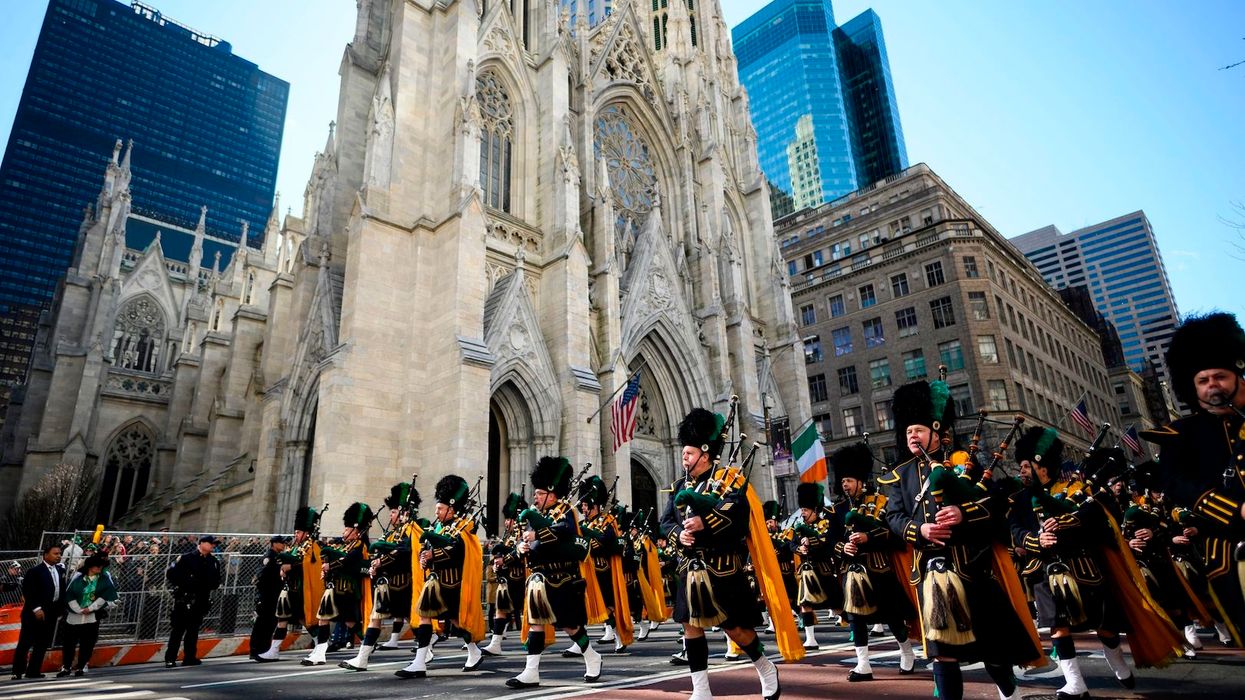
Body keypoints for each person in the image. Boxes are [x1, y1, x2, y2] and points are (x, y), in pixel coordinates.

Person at [879, 380, 1043, 700]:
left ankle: (1008, 691)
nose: (912, 436)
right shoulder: (901, 474)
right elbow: (894, 517)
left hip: (971, 569)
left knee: (993, 650)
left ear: (936, 431)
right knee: (943, 654)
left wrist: (961, 513)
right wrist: (919, 530)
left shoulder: (963, 462)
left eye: (918, 430)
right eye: (908, 431)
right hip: (931, 573)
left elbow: (995, 505)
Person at [660, 407, 801, 700]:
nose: (684, 458)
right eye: (683, 453)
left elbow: (738, 517)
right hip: (689, 568)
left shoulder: (730, 480)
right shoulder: (679, 486)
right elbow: (666, 522)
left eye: (688, 453)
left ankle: (765, 667)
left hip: (722, 569)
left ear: (705, 453)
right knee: (690, 627)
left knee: (736, 630)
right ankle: (701, 690)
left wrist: (704, 522)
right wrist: (678, 534)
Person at [1009, 428, 1137, 697]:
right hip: (1044, 570)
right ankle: (1075, 683)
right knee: (1058, 627)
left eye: (1026, 466)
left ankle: (1116, 660)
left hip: (1082, 567)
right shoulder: (1019, 499)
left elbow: (1092, 517)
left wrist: (1063, 523)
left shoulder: (1073, 489)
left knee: (1104, 626)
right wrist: (1036, 540)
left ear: (1041, 465)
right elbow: (1016, 529)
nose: (1021, 471)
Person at [1143, 312, 1245, 646]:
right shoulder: (1182, 435)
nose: (1212, 385)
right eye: (1203, 380)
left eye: (1220, 376)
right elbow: (1176, 483)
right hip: (1232, 552)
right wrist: (1237, 510)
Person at [504, 456, 604, 689]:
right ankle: (531, 672)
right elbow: (528, 540)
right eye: (536, 493)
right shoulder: (536, 513)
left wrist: (537, 534)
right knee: (536, 623)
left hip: (562, 578)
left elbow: (564, 532)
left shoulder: (566, 510)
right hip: (538, 578)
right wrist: (521, 548)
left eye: (540, 493)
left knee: (570, 625)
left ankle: (592, 656)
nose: (536, 497)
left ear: (552, 493)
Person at [831, 442, 917, 681]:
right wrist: (843, 547)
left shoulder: (881, 502)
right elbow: (831, 540)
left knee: (892, 616)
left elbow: (894, 535)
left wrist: (868, 537)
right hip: (852, 570)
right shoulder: (837, 509)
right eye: (843, 481)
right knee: (855, 617)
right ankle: (863, 665)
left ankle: (907, 652)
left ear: (860, 481)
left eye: (849, 480)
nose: (845, 485)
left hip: (879, 569)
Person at [396, 475, 487, 678]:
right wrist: (424, 557)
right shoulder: (440, 527)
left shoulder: (463, 526)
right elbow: (428, 547)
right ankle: (420, 662)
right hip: (437, 582)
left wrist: (433, 554)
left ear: (451, 509)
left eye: (440, 508)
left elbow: (458, 551)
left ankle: (474, 651)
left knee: (457, 620)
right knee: (425, 616)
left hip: (453, 584)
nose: (436, 512)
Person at [341, 481, 421, 671]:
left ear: (403, 512)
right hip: (389, 585)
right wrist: (376, 563)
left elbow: (403, 553)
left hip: (405, 585)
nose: (390, 515)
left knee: (416, 621)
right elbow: (383, 553)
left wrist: (382, 560)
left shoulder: (411, 530)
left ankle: (429, 652)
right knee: (375, 618)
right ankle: (362, 658)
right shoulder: (394, 532)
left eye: (393, 511)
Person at [302, 503, 373, 666]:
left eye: (347, 529)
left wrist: (331, 564)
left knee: (350, 621)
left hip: (348, 590)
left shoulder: (360, 546)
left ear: (356, 531)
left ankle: (367, 643)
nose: (343, 532)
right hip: (336, 588)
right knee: (324, 617)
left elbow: (348, 561)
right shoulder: (347, 545)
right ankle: (320, 653)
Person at [256, 506, 324, 662]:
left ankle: (320, 646)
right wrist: (283, 568)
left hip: (301, 590)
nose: (296, 535)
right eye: (296, 532)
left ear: (307, 533)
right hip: (290, 589)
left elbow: (310, 567)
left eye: (298, 532)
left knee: (304, 620)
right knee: (283, 619)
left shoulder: (312, 546)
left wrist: (290, 567)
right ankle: (274, 650)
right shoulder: (298, 547)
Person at [792, 480, 843, 650]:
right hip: (806, 571)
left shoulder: (825, 524)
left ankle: (854, 626)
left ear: (815, 510)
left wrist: (810, 542)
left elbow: (826, 543)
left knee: (836, 604)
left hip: (823, 570)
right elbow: (791, 543)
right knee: (805, 604)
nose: (803, 513)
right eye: (802, 510)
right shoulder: (800, 526)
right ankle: (811, 639)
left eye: (805, 510)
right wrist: (799, 548)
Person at [164, 535, 222, 667]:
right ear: (202, 543)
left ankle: (190, 657)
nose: (213, 546)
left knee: (193, 630)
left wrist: (209, 585)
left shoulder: (213, 561)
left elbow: (217, 580)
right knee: (178, 630)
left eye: (214, 544)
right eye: (211, 543)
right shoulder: (186, 558)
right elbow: (171, 574)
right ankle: (170, 658)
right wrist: (187, 583)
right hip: (185, 598)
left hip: (201, 599)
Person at [58, 552, 119, 677]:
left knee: (87, 643)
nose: (100, 568)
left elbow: (105, 595)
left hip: (92, 617)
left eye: (101, 566)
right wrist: (78, 609)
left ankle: (81, 666)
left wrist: (90, 608)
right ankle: (66, 666)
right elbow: (69, 594)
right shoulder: (78, 578)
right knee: (69, 643)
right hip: (74, 617)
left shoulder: (103, 579)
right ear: (91, 566)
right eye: (98, 566)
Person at [482, 491, 527, 655]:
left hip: (521, 578)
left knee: (531, 612)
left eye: (509, 519)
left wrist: (504, 559)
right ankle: (495, 644)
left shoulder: (523, 533)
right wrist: (497, 564)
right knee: (501, 610)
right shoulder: (509, 535)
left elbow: (521, 553)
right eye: (507, 519)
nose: (507, 522)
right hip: (508, 579)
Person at [11, 543, 65, 680]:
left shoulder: (59, 570)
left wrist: (59, 609)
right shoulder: (35, 571)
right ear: (46, 555)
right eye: (55, 553)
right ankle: (17, 671)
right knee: (25, 642)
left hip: (51, 612)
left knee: (42, 643)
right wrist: (36, 608)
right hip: (33, 613)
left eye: (59, 553)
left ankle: (33, 671)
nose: (58, 556)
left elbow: (60, 590)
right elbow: (28, 592)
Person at [249, 536, 287, 660]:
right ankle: (256, 649)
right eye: (281, 543)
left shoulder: (278, 557)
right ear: (274, 544)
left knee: (270, 623)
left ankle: (264, 649)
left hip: (275, 595)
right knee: (262, 623)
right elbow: (261, 576)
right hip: (267, 595)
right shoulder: (269, 557)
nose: (283, 545)